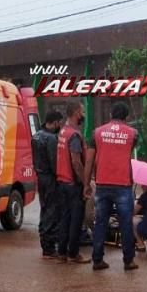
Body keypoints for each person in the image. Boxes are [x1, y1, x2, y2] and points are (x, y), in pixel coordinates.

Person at [84, 102, 139, 271]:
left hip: (102, 184)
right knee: (126, 224)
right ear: (126, 117)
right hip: (123, 184)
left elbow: (89, 160)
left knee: (100, 222)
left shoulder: (97, 133)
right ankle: (128, 261)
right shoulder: (133, 134)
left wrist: (86, 183)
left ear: (110, 115)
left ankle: (97, 260)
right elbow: (128, 152)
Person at [56, 102, 91, 264]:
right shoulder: (74, 135)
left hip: (61, 182)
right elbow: (76, 162)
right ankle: (73, 254)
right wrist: (85, 183)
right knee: (76, 220)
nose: (83, 114)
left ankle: (62, 252)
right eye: (82, 112)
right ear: (77, 113)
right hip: (72, 184)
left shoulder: (63, 131)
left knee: (65, 218)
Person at [31, 110, 63, 259]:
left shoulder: (36, 135)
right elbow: (55, 163)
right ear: (55, 122)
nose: (60, 126)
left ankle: (45, 243)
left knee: (44, 209)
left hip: (40, 177)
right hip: (50, 178)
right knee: (51, 210)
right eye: (59, 123)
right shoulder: (50, 139)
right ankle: (49, 248)